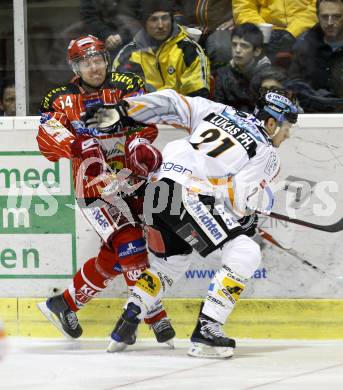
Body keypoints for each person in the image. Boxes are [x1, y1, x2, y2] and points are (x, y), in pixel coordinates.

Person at [85, 87, 298, 357]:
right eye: (286, 127)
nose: (287, 134)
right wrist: (247, 218)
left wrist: (123, 110)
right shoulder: (266, 152)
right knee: (246, 251)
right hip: (188, 196)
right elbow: (239, 199)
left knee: (169, 264)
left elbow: (172, 102)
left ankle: (130, 317)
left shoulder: (219, 111)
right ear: (271, 123)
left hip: (157, 193)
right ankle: (207, 330)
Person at [36, 34, 175, 348]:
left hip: (131, 181)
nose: (94, 66)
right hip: (93, 188)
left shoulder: (127, 84)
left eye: (98, 59)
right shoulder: (60, 97)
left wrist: (138, 146)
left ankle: (64, 305)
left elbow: (147, 123)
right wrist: (76, 143)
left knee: (115, 256)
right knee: (128, 243)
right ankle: (152, 314)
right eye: (86, 62)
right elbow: (47, 135)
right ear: (75, 66)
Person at [112, 0, 210, 98]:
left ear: (171, 19)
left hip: (181, 110)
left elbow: (198, 98)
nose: (160, 25)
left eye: (164, 18)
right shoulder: (128, 56)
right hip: (140, 110)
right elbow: (119, 96)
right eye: (154, 19)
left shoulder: (189, 51)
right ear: (144, 23)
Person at [287, 0, 343, 112]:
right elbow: (294, 84)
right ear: (317, 16)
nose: (330, 22)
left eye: (336, 16)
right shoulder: (304, 46)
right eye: (324, 17)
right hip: (312, 115)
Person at [232, 0, 317, 63]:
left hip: (306, 29)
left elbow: (320, 6)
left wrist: (293, 32)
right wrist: (262, 31)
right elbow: (243, 6)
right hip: (264, 29)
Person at [214, 23, 271, 112]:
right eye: (234, 44)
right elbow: (217, 108)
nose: (237, 50)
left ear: (257, 51)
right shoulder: (223, 74)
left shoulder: (267, 76)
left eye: (244, 46)